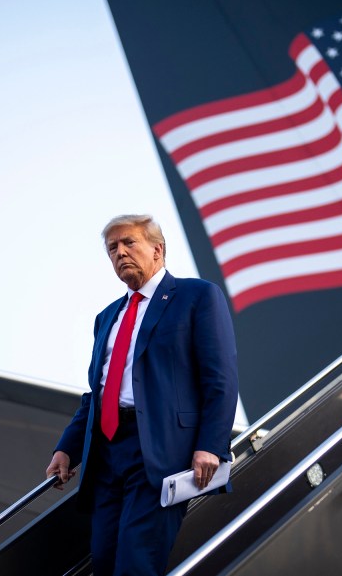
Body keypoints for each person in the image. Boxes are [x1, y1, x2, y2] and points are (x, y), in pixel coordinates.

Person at [46, 214, 239, 576]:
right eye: (112, 249)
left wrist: (211, 444)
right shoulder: (106, 317)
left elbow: (221, 379)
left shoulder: (197, 296)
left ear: (157, 249)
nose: (119, 253)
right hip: (106, 452)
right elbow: (97, 392)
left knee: (137, 562)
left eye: (128, 243)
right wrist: (67, 448)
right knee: (103, 561)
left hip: (161, 450)